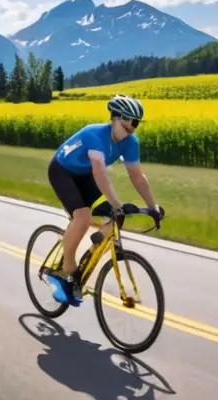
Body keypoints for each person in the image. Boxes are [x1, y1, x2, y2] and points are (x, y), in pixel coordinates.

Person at [46, 94, 164, 306]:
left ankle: (95, 242)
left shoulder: (130, 143)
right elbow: (100, 174)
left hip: (84, 175)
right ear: (115, 118)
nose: (129, 132)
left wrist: (152, 206)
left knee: (115, 218)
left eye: (133, 129)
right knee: (82, 216)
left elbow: (137, 176)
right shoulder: (95, 135)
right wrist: (118, 205)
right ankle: (66, 271)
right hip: (62, 170)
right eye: (126, 127)